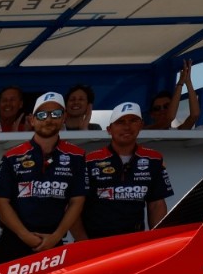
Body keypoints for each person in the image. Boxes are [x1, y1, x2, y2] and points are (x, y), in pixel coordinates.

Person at [0, 91, 87, 265]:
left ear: (63, 117)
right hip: (14, 242)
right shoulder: (12, 156)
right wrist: (25, 236)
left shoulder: (76, 156)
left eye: (55, 113)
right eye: (42, 115)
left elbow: (77, 200)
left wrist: (56, 236)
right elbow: (0, 202)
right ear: (32, 120)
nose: (49, 119)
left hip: (54, 243)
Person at [71, 102, 173, 241]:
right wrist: (82, 242)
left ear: (141, 125)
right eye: (120, 122)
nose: (127, 126)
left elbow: (156, 204)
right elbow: (74, 205)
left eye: (133, 120)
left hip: (132, 244)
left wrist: (159, 241)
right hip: (95, 242)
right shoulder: (90, 161)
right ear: (109, 129)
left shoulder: (154, 159)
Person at [146, 60, 199, 130]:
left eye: (166, 106)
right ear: (151, 114)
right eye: (157, 108)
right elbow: (169, 118)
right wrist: (180, 84)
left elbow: (194, 116)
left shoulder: (176, 132)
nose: (162, 110)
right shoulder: (144, 131)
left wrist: (188, 82)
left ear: (174, 107)